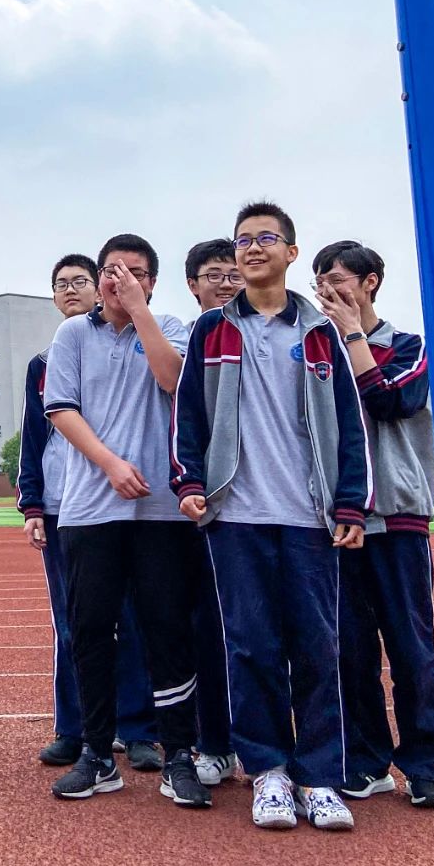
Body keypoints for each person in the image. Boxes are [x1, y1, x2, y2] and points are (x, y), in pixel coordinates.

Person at [171, 202, 372, 832]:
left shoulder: (319, 333)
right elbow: (189, 415)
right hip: (237, 515)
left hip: (309, 516)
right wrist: (190, 482)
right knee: (251, 645)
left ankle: (320, 777)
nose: (252, 248)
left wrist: (350, 501)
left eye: (266, 238)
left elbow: (350, 423)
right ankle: (269, 772)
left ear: (290, 252)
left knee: (317, 647)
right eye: (243, 241)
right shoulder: (212, 332)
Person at [44, 235, 210, 809]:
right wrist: (110, 464)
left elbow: (174, 381)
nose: (119, 280)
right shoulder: (73, 334)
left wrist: (140, 313)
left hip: (161, 508)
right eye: (111, 271)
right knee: (91, 628)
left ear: (152, 281)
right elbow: (61, 409)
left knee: (168, 629)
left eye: (133, 272)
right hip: (89, 507)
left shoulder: (171, 326)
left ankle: (179, 754)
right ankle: (96, 752)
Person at [313, 240, 434, 808]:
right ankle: (367, 761)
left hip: (397, 514)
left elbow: (390, 402)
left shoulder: (408, 345)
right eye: (320, 280)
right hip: (338, 519)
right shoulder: (315, 350)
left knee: (411, 647)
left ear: (370, 282)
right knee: (349, 651)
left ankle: (425, 764)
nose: (328, 289)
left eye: (338, 278)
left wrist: (352, 334)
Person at [16, 253, 158, 772]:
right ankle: (74, 728)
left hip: (128, 501)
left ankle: (138, 729)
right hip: (65, 506)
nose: (70, 289)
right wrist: (32, 503)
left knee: (133, 618)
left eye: (80, 281)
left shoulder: (132, 343)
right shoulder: (42, 363)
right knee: (72, 622)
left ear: (100, 289)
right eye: (61, 284)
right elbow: (34, 438)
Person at [180, 240, 242, 787]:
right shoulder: (196, 336)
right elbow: (188, 416)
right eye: (214, 274)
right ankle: (216, 742)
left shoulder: (285, 330)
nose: (226, 282)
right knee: (207, 627)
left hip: (277, 507)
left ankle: (274, 749)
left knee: (274, 633)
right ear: (193, 285)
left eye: (233, 273)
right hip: (209, 508)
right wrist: (192, 482)